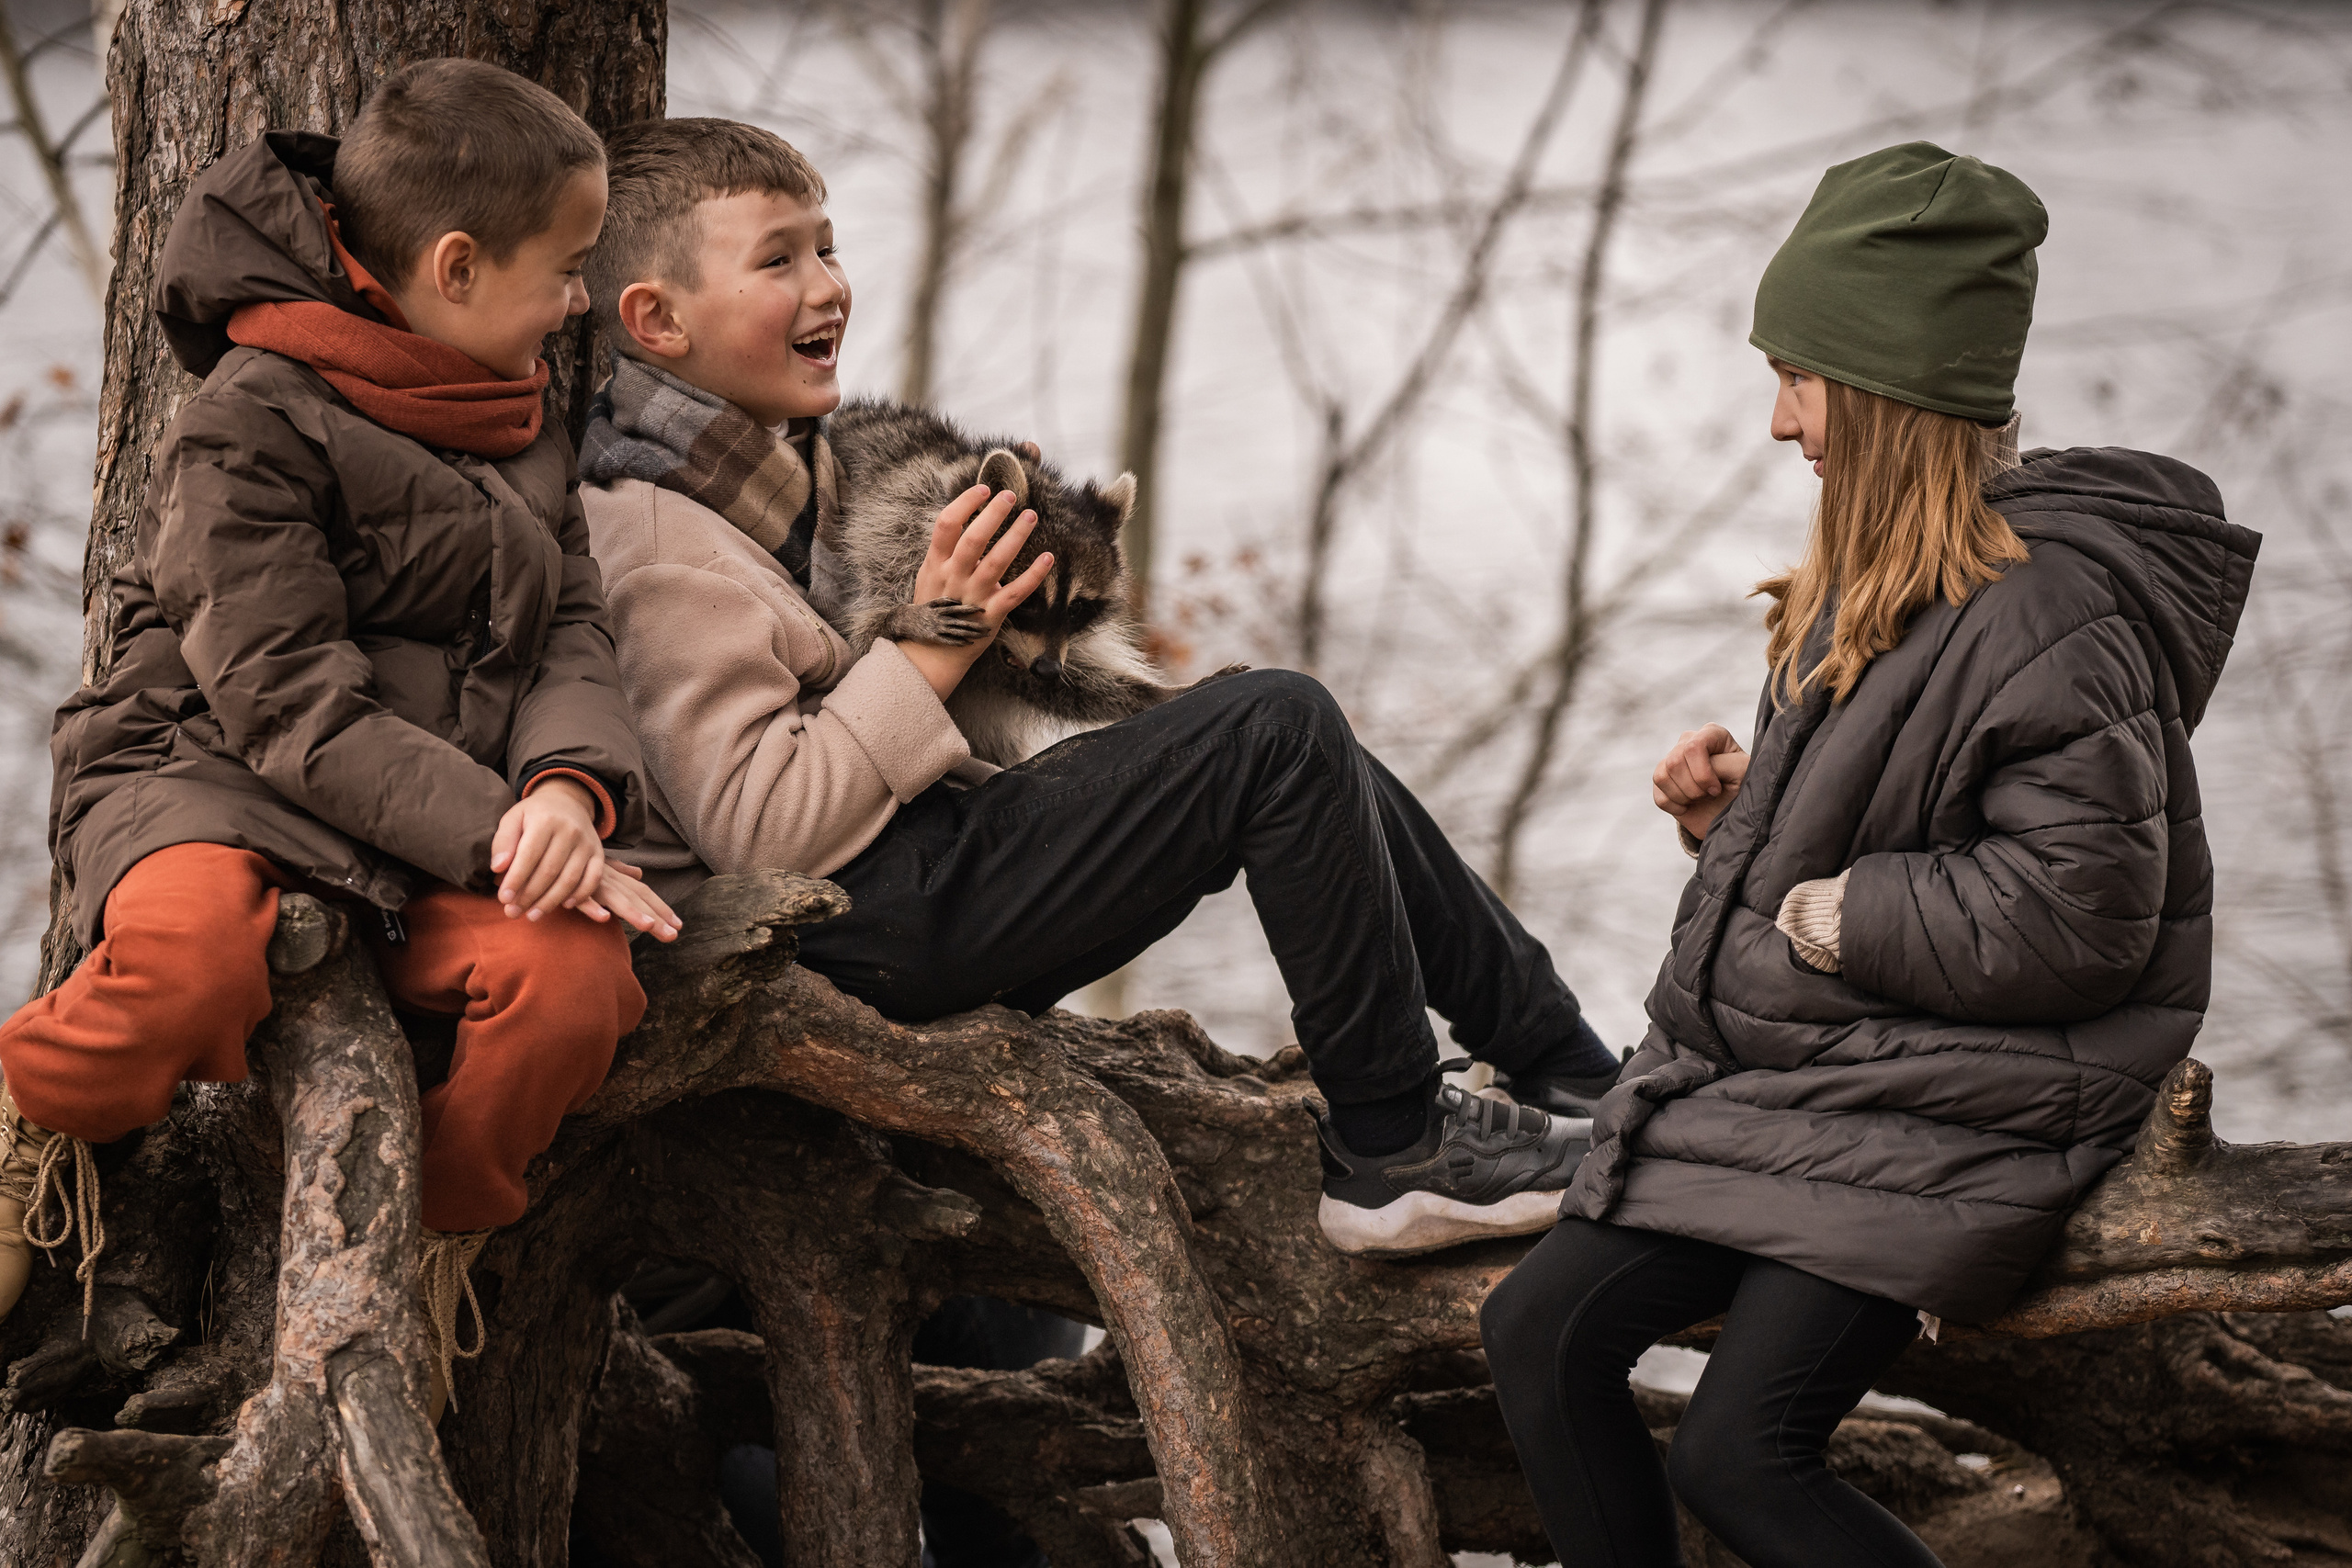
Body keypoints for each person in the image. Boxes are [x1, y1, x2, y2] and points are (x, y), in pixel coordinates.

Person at [571, 116, 1618, 1258]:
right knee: (1274, 724)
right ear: (655, 321)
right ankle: (1394, 1145)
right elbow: (764, 832)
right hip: (849, 924)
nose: (827, 287)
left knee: (1280, 735)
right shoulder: (656, 539)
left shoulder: (791, 475)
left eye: (828, 247)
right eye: (778, 260)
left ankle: (1572, 1074)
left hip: (914, 873)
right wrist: (940, 636)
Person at [1478, 141, 2260, 1567]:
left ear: (1891, 393)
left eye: (1799, 377)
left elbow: (2084, 914)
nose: (1779, 422)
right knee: (1535, 1327)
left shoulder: (2053, 610)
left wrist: (1842, 912)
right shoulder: (1871, 586)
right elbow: (1879, 848)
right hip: (1835, 1076)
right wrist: (1731, 832)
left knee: (1738, 1451)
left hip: (1966, 1105)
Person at [0, 61, 680, 1412]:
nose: (583, 299)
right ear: (458, 264)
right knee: (188, 965)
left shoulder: (521, 409)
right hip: (213, 774)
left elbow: (570, 635)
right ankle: (38, 1115)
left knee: (574, 985)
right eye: (568, 265)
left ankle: (426, 1236)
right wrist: (491, 824)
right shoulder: (245, 423)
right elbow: (283, 697)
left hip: (433, 814)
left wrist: (559, 792)